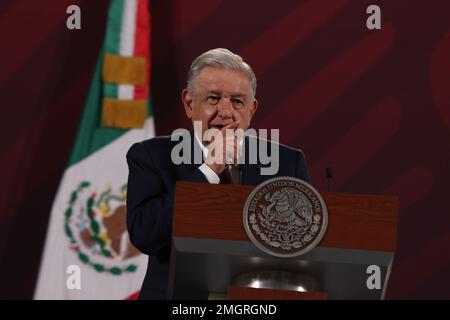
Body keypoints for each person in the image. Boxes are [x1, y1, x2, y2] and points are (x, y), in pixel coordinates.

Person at [126, 48, 310, 299]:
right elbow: (145, 235)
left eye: (237, 101)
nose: (225, 112)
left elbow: (302, 245)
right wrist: (209, 171)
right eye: (213, 98)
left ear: (251, 109)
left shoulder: (287, 163)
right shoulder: (152, 156)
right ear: (189, 104)